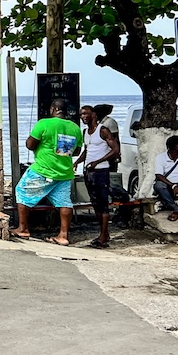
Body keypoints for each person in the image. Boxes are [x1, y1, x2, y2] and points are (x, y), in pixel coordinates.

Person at [14, 98, 84, 246]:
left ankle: (23, 228)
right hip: (64, 172)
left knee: (21, 191)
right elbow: (76, 151)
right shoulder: (75, 128)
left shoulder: (44, 124)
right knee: (65, 202)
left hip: (43, 170)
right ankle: (63, 236)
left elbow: (30, 145)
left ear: (53, 109)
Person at [74, 104, 120, 248]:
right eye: (81, 115)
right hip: (89, 171)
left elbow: (115, 150)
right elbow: (87, 150)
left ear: (93, 115)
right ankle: (103, 233)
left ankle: (103, 235)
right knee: (95, 204)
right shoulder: (85, 132)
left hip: (101, 171)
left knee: (103, 204)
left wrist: (98, 161)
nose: (83, 117)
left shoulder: (103, 130)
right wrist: (77, 162)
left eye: (85, 114)